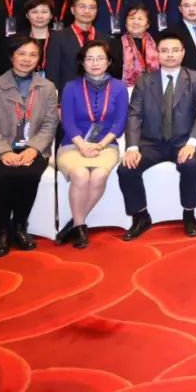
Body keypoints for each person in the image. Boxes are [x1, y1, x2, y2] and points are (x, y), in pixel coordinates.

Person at [119, 32, 196, 239]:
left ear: (183, 53)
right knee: (126, 169)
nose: (170, 55)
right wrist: (132, 147)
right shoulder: (144, 81)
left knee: (191, 165)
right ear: (157, 54)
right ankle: (140, 216)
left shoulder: (195, 78)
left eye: (175, 50)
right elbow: (134, 115)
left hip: (183, 142)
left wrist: (192, 144)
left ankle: (189, 214)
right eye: (165, 51)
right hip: (151, 143)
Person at [0, 36, 58, 256]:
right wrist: (4, 152)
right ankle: (1, 230)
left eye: (33, 55)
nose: (27, 59)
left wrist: (33, 149)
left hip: (32, 148)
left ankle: (20, 226)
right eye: (21, 54)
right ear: (11, 56)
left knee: (28, 174)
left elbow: (50, 123)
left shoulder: (47, 87)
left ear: (39, 59)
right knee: (3, 175)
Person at [56, 40, 126, 249]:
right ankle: (80, 226)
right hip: (73, 144)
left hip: (106, 145)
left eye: (100, 58)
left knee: (98, 176)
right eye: (90, 59)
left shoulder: (119, 87)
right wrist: (83, 145)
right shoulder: (71, 87)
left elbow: (120, 123)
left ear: (109, 62)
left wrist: (100, 146)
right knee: (80, 175)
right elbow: (67, 121)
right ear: (82, 62)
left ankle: (74, 224)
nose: (95, 63)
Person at [45, 0, 98, 94]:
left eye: (92, 7)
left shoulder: (105, 39)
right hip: (68, 95)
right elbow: (52, 72)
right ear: (73, 10)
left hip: (98, 96)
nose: (87, 11)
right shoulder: (58, 37)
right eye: (82, 6)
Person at [108, 5, 160, 88]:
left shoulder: (158, 42)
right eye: (132, 18)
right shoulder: (115, 44)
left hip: (156, 89)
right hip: (124, 90)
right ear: (126, 23)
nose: (136, 22)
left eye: (140, 19)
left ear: (148, 24)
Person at [24, 0, 53, 75]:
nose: (39, 16)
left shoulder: (61, 38)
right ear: (27, 15)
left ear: (51, 15)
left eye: (44, 12)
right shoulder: (19, 39)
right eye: (34, 12)